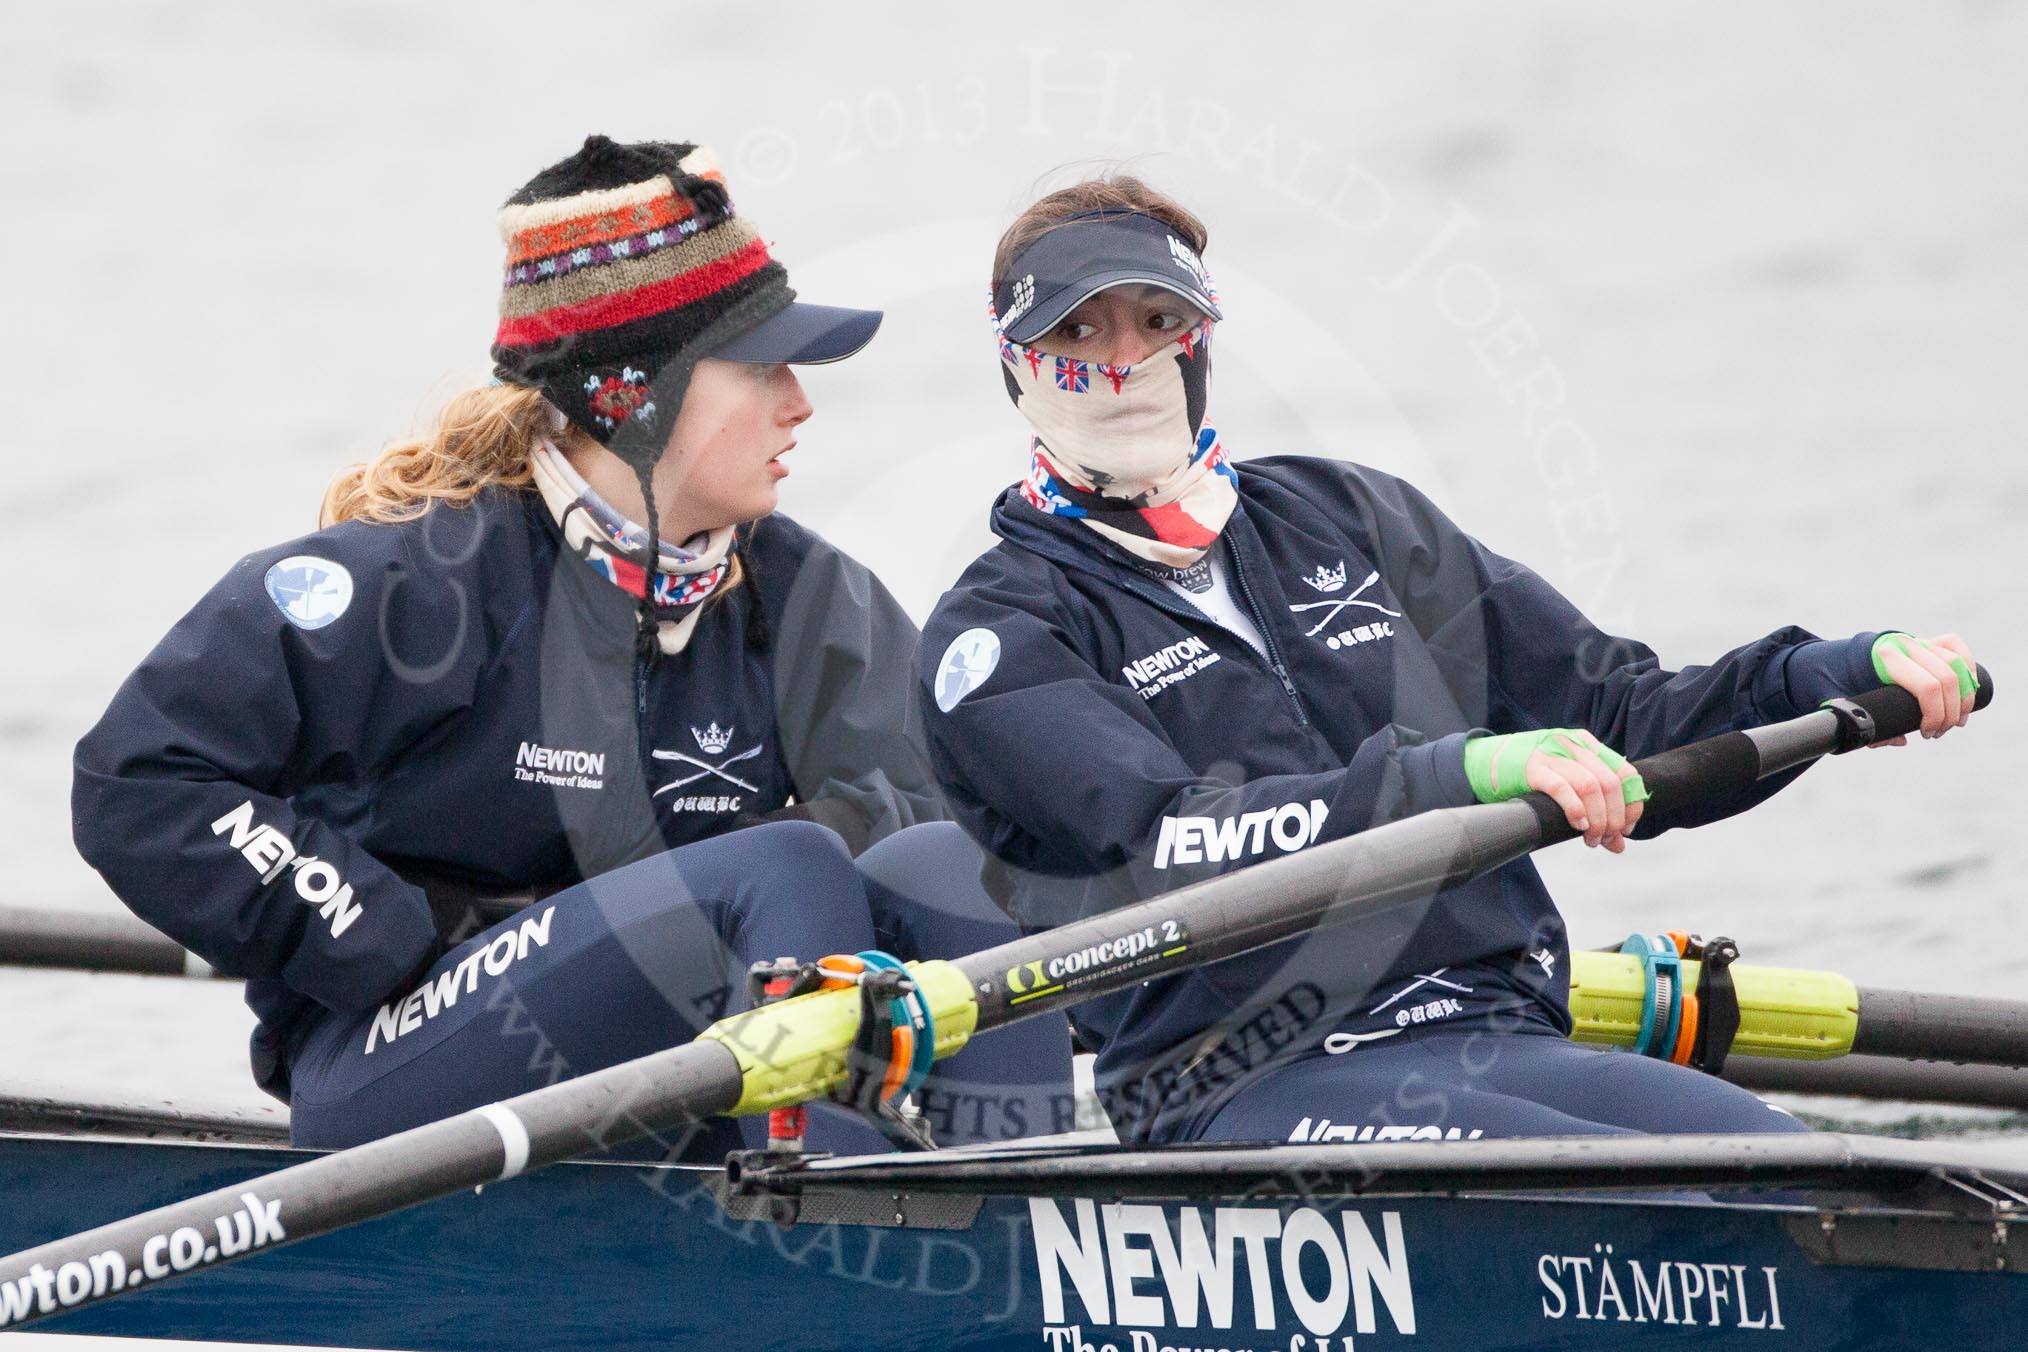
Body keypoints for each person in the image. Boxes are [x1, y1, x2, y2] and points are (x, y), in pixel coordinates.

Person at [917, 174, 1980, 1148]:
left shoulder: (1355, 517)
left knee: (1825, 1175)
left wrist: (1823, 672)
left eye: (1158, 323)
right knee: (1670, 1195)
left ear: (1200, 342)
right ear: (1016, 365)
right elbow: (1171, 835)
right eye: (1078, 331)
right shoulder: (995, 636)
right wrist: (1457, 774)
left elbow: (1626, 717)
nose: (1123, 362)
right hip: (1241, 1075)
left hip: (1495, 1023)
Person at [72, 135, 1068, 1158]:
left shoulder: (815, 607)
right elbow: (140, 778)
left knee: (944, 865)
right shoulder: (420, 586)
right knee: (782, 866)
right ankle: (819, 1250)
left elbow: (951, 825)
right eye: (761, 366)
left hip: (667, 1055)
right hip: (392, 1046)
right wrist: (383, 929)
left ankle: (1014, 1226)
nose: (800, 401)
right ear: (633, 395)